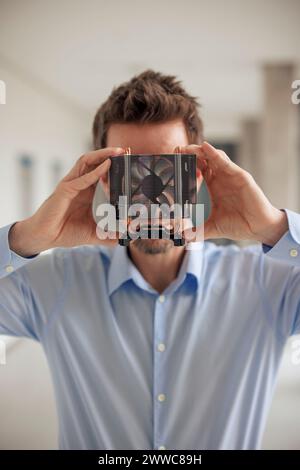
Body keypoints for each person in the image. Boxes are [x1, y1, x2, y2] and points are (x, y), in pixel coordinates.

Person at [0, 70, 299, 450]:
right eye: (130, 171)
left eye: (167, 169)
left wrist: (275, 227)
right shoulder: (54, 282)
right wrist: (26, 237)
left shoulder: (269, 283)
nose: (151, 191)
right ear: (104, 181)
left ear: (197, 176)